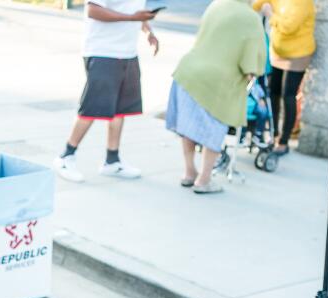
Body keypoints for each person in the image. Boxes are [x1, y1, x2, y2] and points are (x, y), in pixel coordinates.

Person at [165, 0, 266, 193]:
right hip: (218, 80)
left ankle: (189, 172)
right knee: (214, 130)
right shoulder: (251, 18)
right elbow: (251, 62)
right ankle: (204, 180)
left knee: (188, 127)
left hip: (188, 71)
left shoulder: (216, 4)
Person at [53, 1, 159, 184]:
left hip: (127, 53)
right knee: (92, 108)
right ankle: (65, 156)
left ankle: (112, 160)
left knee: (120, 109)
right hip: (103, 52)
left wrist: (147, 30)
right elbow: (93, 10)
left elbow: (134, 12)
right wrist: (134, 18)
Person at [254, 0, 315, 154]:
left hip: (298, 54)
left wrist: (270, 15)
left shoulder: (302, 2)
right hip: (278, 52)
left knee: (288, 95)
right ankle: (273, 134)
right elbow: (255, 4)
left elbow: (288, 27)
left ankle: (283, 141)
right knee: (273, 93)